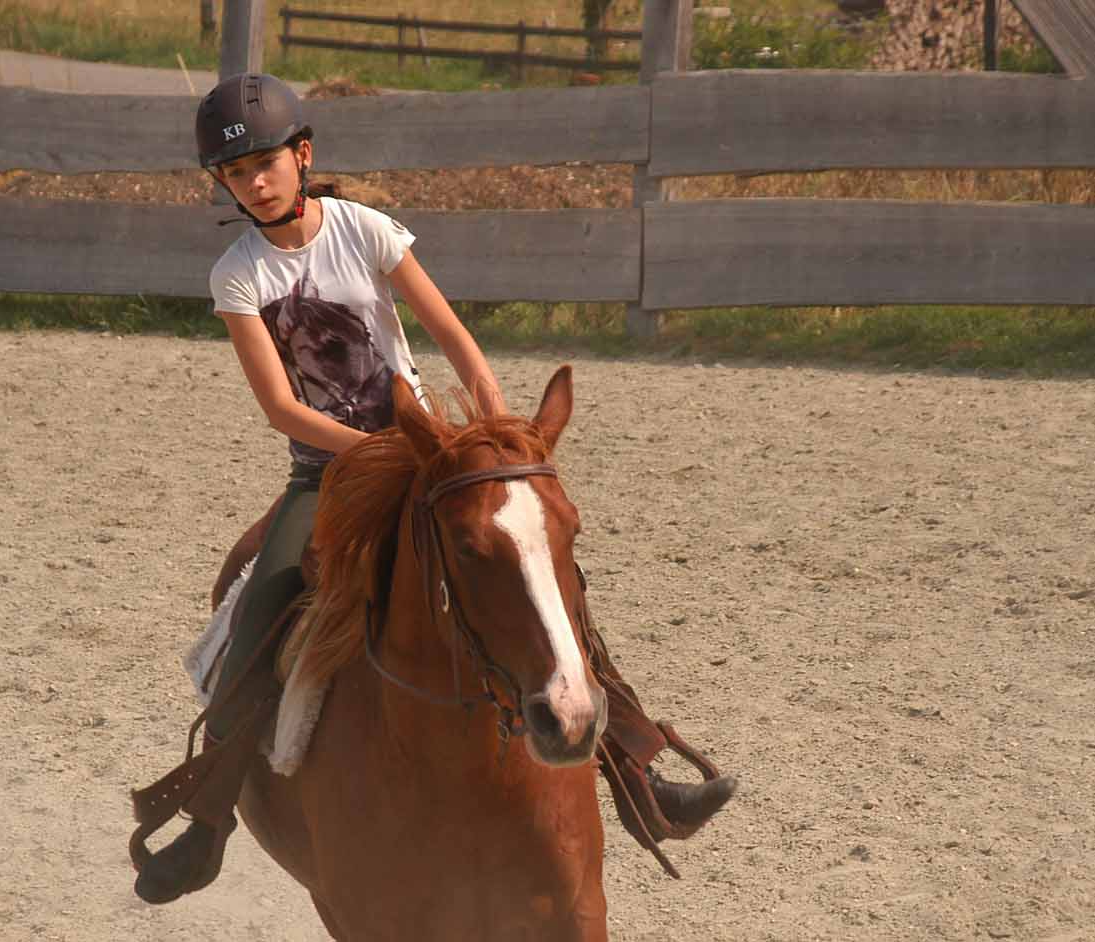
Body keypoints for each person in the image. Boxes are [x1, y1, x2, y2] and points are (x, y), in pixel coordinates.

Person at [132, 72, 734, 905]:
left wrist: (498, 429)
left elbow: (448, 332)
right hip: (331, 471)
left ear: (302, 156)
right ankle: (208, 824)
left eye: (266, 163)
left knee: (544, 591)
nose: (255, 182)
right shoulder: (237, 275)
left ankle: (640, 775)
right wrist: (383, 454)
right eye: (236, 173)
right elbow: (279, 407)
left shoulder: (364, 229)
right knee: (254, 622)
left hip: (435, 453)